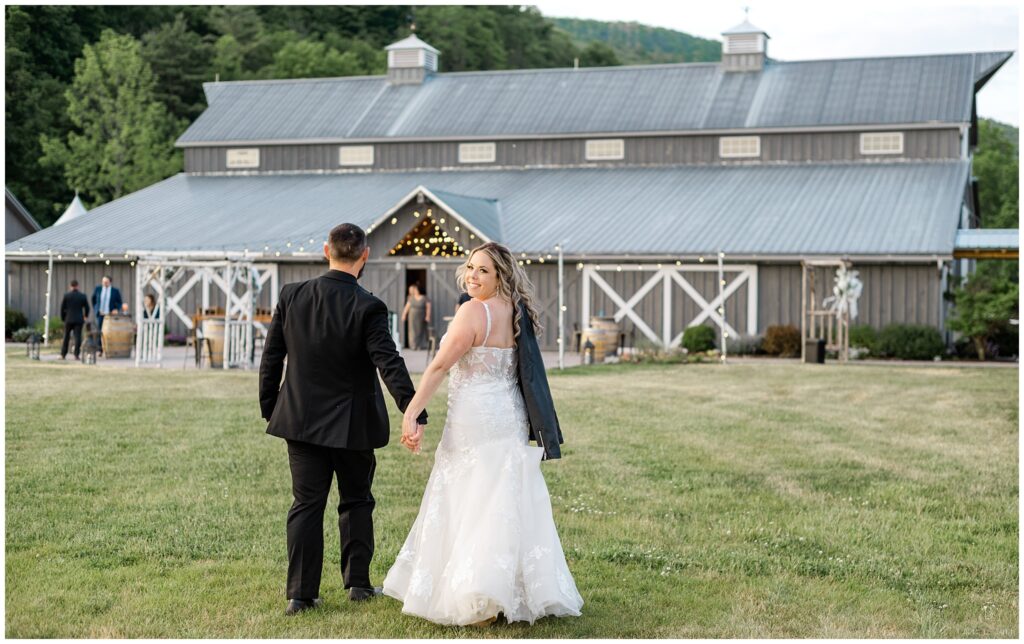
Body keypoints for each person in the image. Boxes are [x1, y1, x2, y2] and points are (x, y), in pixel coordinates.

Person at [383, 242, 582, 627]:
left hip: (474, 417)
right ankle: (512, 590)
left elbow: (441, 365)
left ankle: (479, 597)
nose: (472, 275)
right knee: (503, 498)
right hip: (508, 414)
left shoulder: (473, 311)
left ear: (500, 276)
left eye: (483, 271)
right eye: (471, 267)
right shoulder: (515, 311)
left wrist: (411, 412)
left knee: (471, 497)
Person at [258, 223, 428, 616]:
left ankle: (300, 595)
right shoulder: (369, 306)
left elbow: (271, 358)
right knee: (356, 502)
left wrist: (273, 407)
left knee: (306, 504)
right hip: (352, 424)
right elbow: (389, 362)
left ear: (326, 250)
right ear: (364, 255)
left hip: (299, 419)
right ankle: (357, 584)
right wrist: (412, 408)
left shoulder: (292, 295)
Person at [59, 280, 90, 360]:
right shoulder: (82, 296)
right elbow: (87, 307)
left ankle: (63, 354)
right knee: (78, 337)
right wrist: (85, 316)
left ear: (70, 286)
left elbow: (62, 308)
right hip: (79, 319)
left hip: (68, 319)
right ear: (77, 286)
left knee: (66, 337)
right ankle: (76, 355)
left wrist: (63, 318)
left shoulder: (67, 295)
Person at [91, 275, 122, 353]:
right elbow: (93, 300)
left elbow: (119, 302)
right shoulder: (98, 289)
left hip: (110, 315)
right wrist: (96, 309)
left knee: (109, 332)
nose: (104, 283)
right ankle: (99, 349)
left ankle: (109, 349)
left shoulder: (115, 291)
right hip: (100, 314)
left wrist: (116, 309)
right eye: (103, 281)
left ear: (110, 282)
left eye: (106, 282)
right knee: (99, 331)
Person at [400, 284, 431, 349]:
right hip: (412, 317)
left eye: (416, 290)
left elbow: (428, 307)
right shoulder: (411, 298)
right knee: (412, 331)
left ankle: (419, 345)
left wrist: (428, 316)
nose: (415, 291)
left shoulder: (425, 298)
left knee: (420, 330)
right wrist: (404, 315)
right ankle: (413, 345)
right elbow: (407, 307)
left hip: (421, 316)